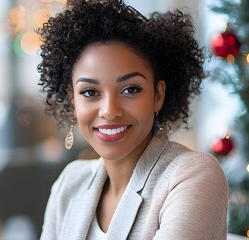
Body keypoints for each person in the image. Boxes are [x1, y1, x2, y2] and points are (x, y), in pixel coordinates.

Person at [37, 0, 229, 239]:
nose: (109, 110)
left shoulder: (191, 175)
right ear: (73, 99)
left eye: (130, 89)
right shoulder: (69, 182)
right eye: (89, 92)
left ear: (158, 95)